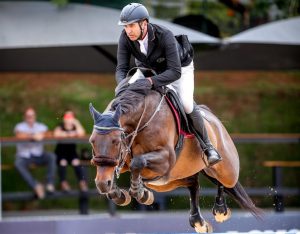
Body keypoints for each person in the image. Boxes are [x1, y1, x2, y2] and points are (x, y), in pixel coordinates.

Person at [115, 3, 222, 166]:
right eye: (125, 26)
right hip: (148, 68)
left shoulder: (164, 35)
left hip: (179, 69)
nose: (127, 30)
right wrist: (123, 88)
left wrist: (150, 82)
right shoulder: (125, 37)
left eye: (131, 25)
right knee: (122, 95)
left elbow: (174, 72)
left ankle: (208, 147)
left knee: (186, 104)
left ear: (144, 23)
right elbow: (121, 68)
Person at [14, 107, 56, 199]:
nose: (30, 118)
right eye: (28, 116)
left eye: (31, 115)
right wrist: (33, 136)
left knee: (51, 156)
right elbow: (19, 135)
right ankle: (36, 186)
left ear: (35, 116)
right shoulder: (19, 126)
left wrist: (42, 135)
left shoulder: (40, 126)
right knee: (18, 163)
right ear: (24, 117)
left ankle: (49, 183)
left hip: (38, 155)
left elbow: (49, 133)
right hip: (24, 156)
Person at [53, 111, 88, 192]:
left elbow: (82, 133)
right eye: (67, 117)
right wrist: (69, 134)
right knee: (63, 162)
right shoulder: (60, 126)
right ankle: (63, 183)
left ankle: (82, 183)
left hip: (72, 153)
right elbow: (56, 134)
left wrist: (76, 123)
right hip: (61, 152)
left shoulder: (75, 126)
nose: (69, 119)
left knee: (76, 162)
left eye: (71, 117)